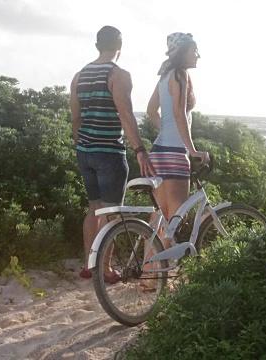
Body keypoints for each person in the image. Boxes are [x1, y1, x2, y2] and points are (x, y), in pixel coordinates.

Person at [70, 25, 156, 283]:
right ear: (120, 44)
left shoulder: (79, 76)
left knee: (93, 208)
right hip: (109, 153)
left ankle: (88, 265)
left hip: (85, 152)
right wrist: (140, 150)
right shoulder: (118, 75)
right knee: (110, 212)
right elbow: (126, 116)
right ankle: (105, 270)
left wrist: (81, 147)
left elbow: (76, 118)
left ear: (97, 45)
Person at [146, 32, 209, 248]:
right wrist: (192, 151)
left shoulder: (165, 75)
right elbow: (180, 113)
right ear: (183, 53)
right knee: (174, 220)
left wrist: (165, 127)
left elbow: (150, 110)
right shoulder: (180, 75)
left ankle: (149, 272)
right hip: (174, 153)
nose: (198, 55)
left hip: (158, 151)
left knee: (158, 219)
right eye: (194, 50)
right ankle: (163, 275)